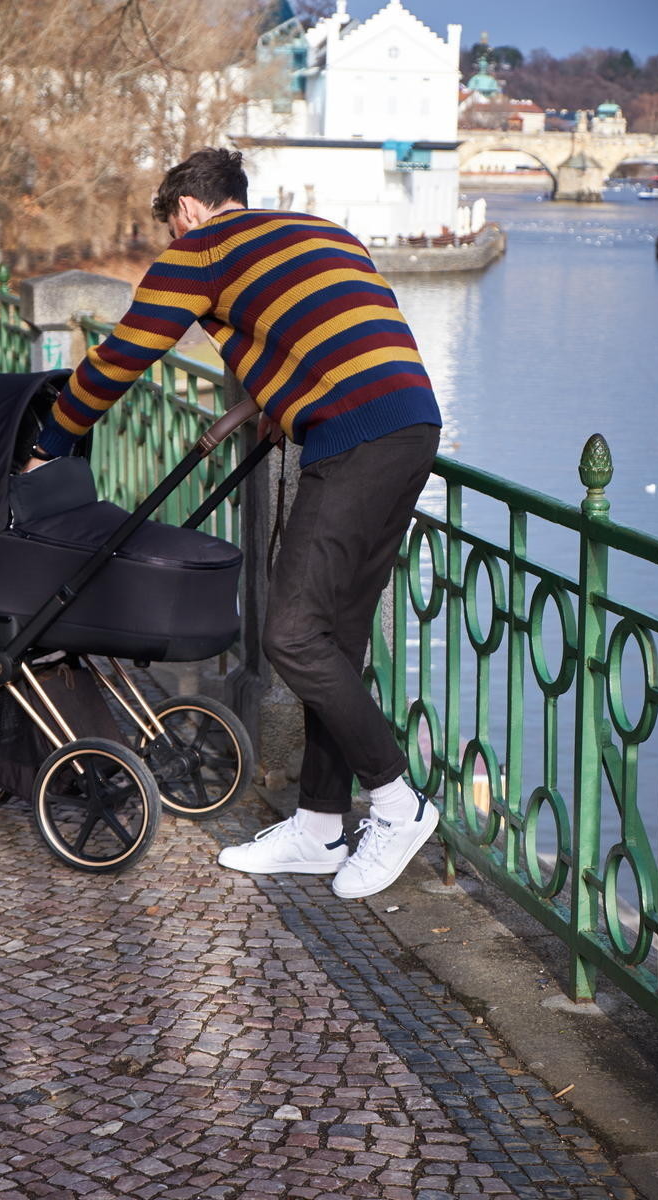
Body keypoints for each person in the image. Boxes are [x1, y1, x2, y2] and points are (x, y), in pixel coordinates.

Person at [27, 147, 442, 899]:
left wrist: (51, 439)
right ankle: (319, 825)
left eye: (171, 227)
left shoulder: (201, 250)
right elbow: (331, 333)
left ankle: (396, 802)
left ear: (186, 210)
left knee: (291, 634)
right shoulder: (320, 231)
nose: (173, 240)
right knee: (336, 636)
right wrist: (270, 399)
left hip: (352, 438)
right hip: (410, 423)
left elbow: (125, 355)